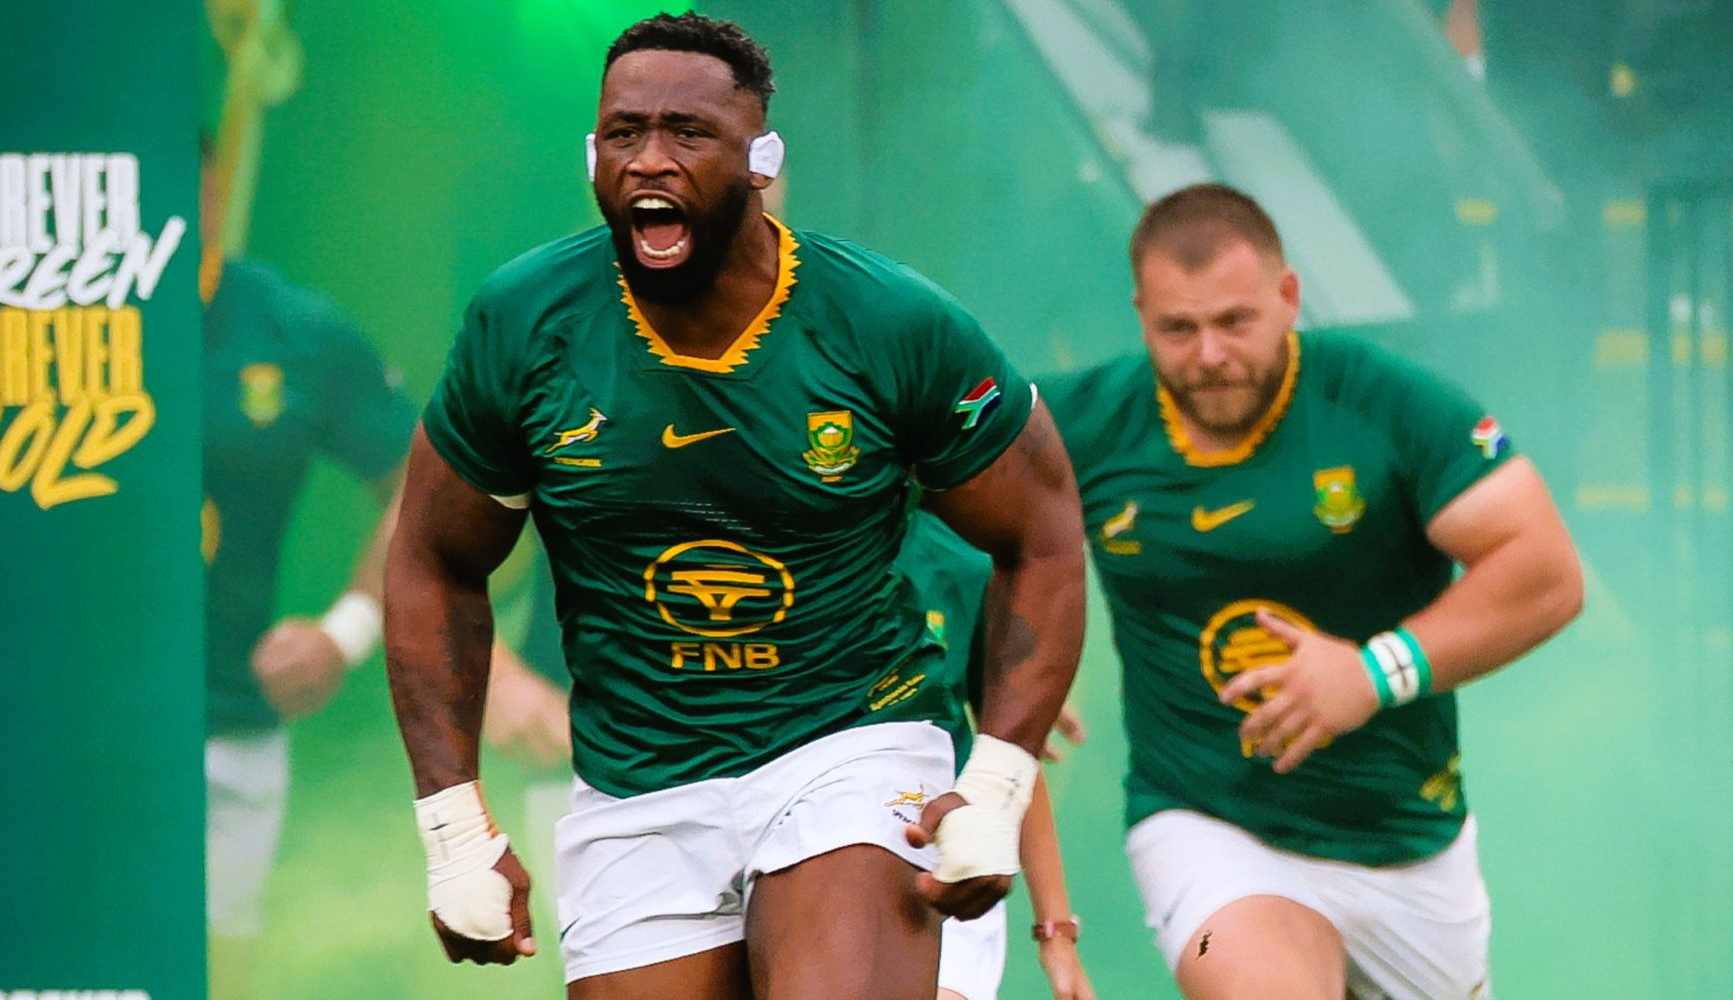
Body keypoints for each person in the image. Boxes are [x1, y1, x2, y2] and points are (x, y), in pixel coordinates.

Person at [384, 13, 1086, 999]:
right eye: (623, 133)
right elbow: (433, 559)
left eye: (687, 133)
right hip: (637, 777)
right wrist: (454, 830)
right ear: (591, 154)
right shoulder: (524, 324)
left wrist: (997, 788)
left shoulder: (888, 322)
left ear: (761, 162)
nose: (649, 160)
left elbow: (1042, 535)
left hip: (850, 742)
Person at [1039, 183, 1582, 1000]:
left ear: (1288, 297)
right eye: (1178, 329)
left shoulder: (1381, 400)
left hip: (1405, 840)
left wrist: (1372, 673)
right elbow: (916, 491)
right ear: (1141, 314)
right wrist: (990, 650)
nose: (1209, 354)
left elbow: (1546, 571)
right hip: (1207, 825)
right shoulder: (1086, 420)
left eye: (1235, 322)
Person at [196, 147, 569, 999]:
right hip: (50, 721)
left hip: (230, 721)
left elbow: (433, 487)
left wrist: (346, 632)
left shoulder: (289, 328)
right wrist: (497, 673)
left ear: (217, 182)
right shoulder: (7, 317)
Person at [897, 511, 1097, 1000]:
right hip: (808, 860)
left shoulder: (962, 562)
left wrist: (1056, 933)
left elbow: (1009, 763)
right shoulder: (785, 546)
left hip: (949, 865)